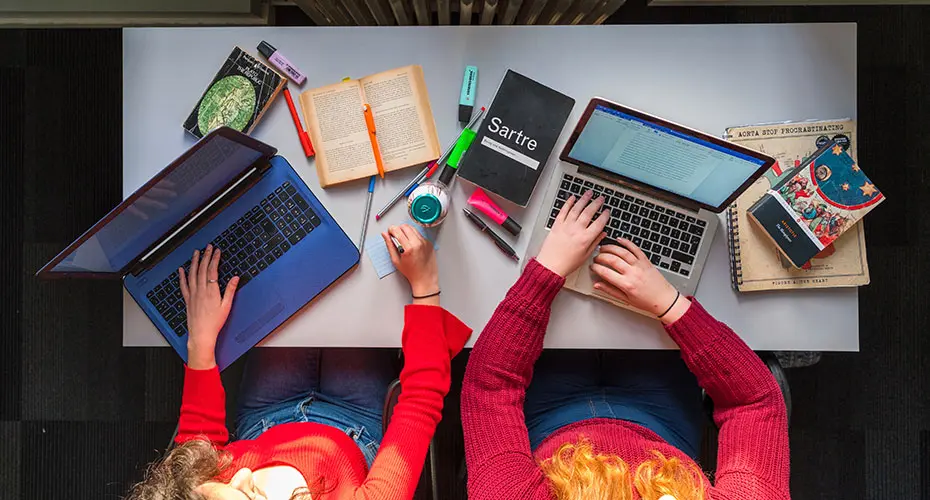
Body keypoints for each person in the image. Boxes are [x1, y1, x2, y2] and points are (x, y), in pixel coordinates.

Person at [461, 190, 790, 500]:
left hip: (547, 413)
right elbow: (755, 403)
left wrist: (546, 271)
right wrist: (668, 302)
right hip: (661, 417)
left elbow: (489, 389)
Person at [127, 224, 471, 500]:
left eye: (227, 484)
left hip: (267, 416)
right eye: (251, 495)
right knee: (358, 286)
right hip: (356, 420)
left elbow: (198, 446)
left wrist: (200, 341)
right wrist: (426, 286)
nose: (241, 473)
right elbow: (420, 400)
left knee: (291, 262)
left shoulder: (208, 486)